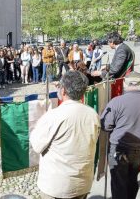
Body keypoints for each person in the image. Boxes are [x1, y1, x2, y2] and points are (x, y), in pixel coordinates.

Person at [30, 71, 100, 199]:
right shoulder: (93, 114)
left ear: (63, 91)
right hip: (82, 184)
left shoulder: (53, 116)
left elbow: (37, 145)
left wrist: (36, 128)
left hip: (56, 186)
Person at [100, 72, 140, 199]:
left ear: (125, 84)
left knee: (119, 183)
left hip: (119, 148)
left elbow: (105, 126)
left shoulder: (117, 102)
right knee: (133, 178)